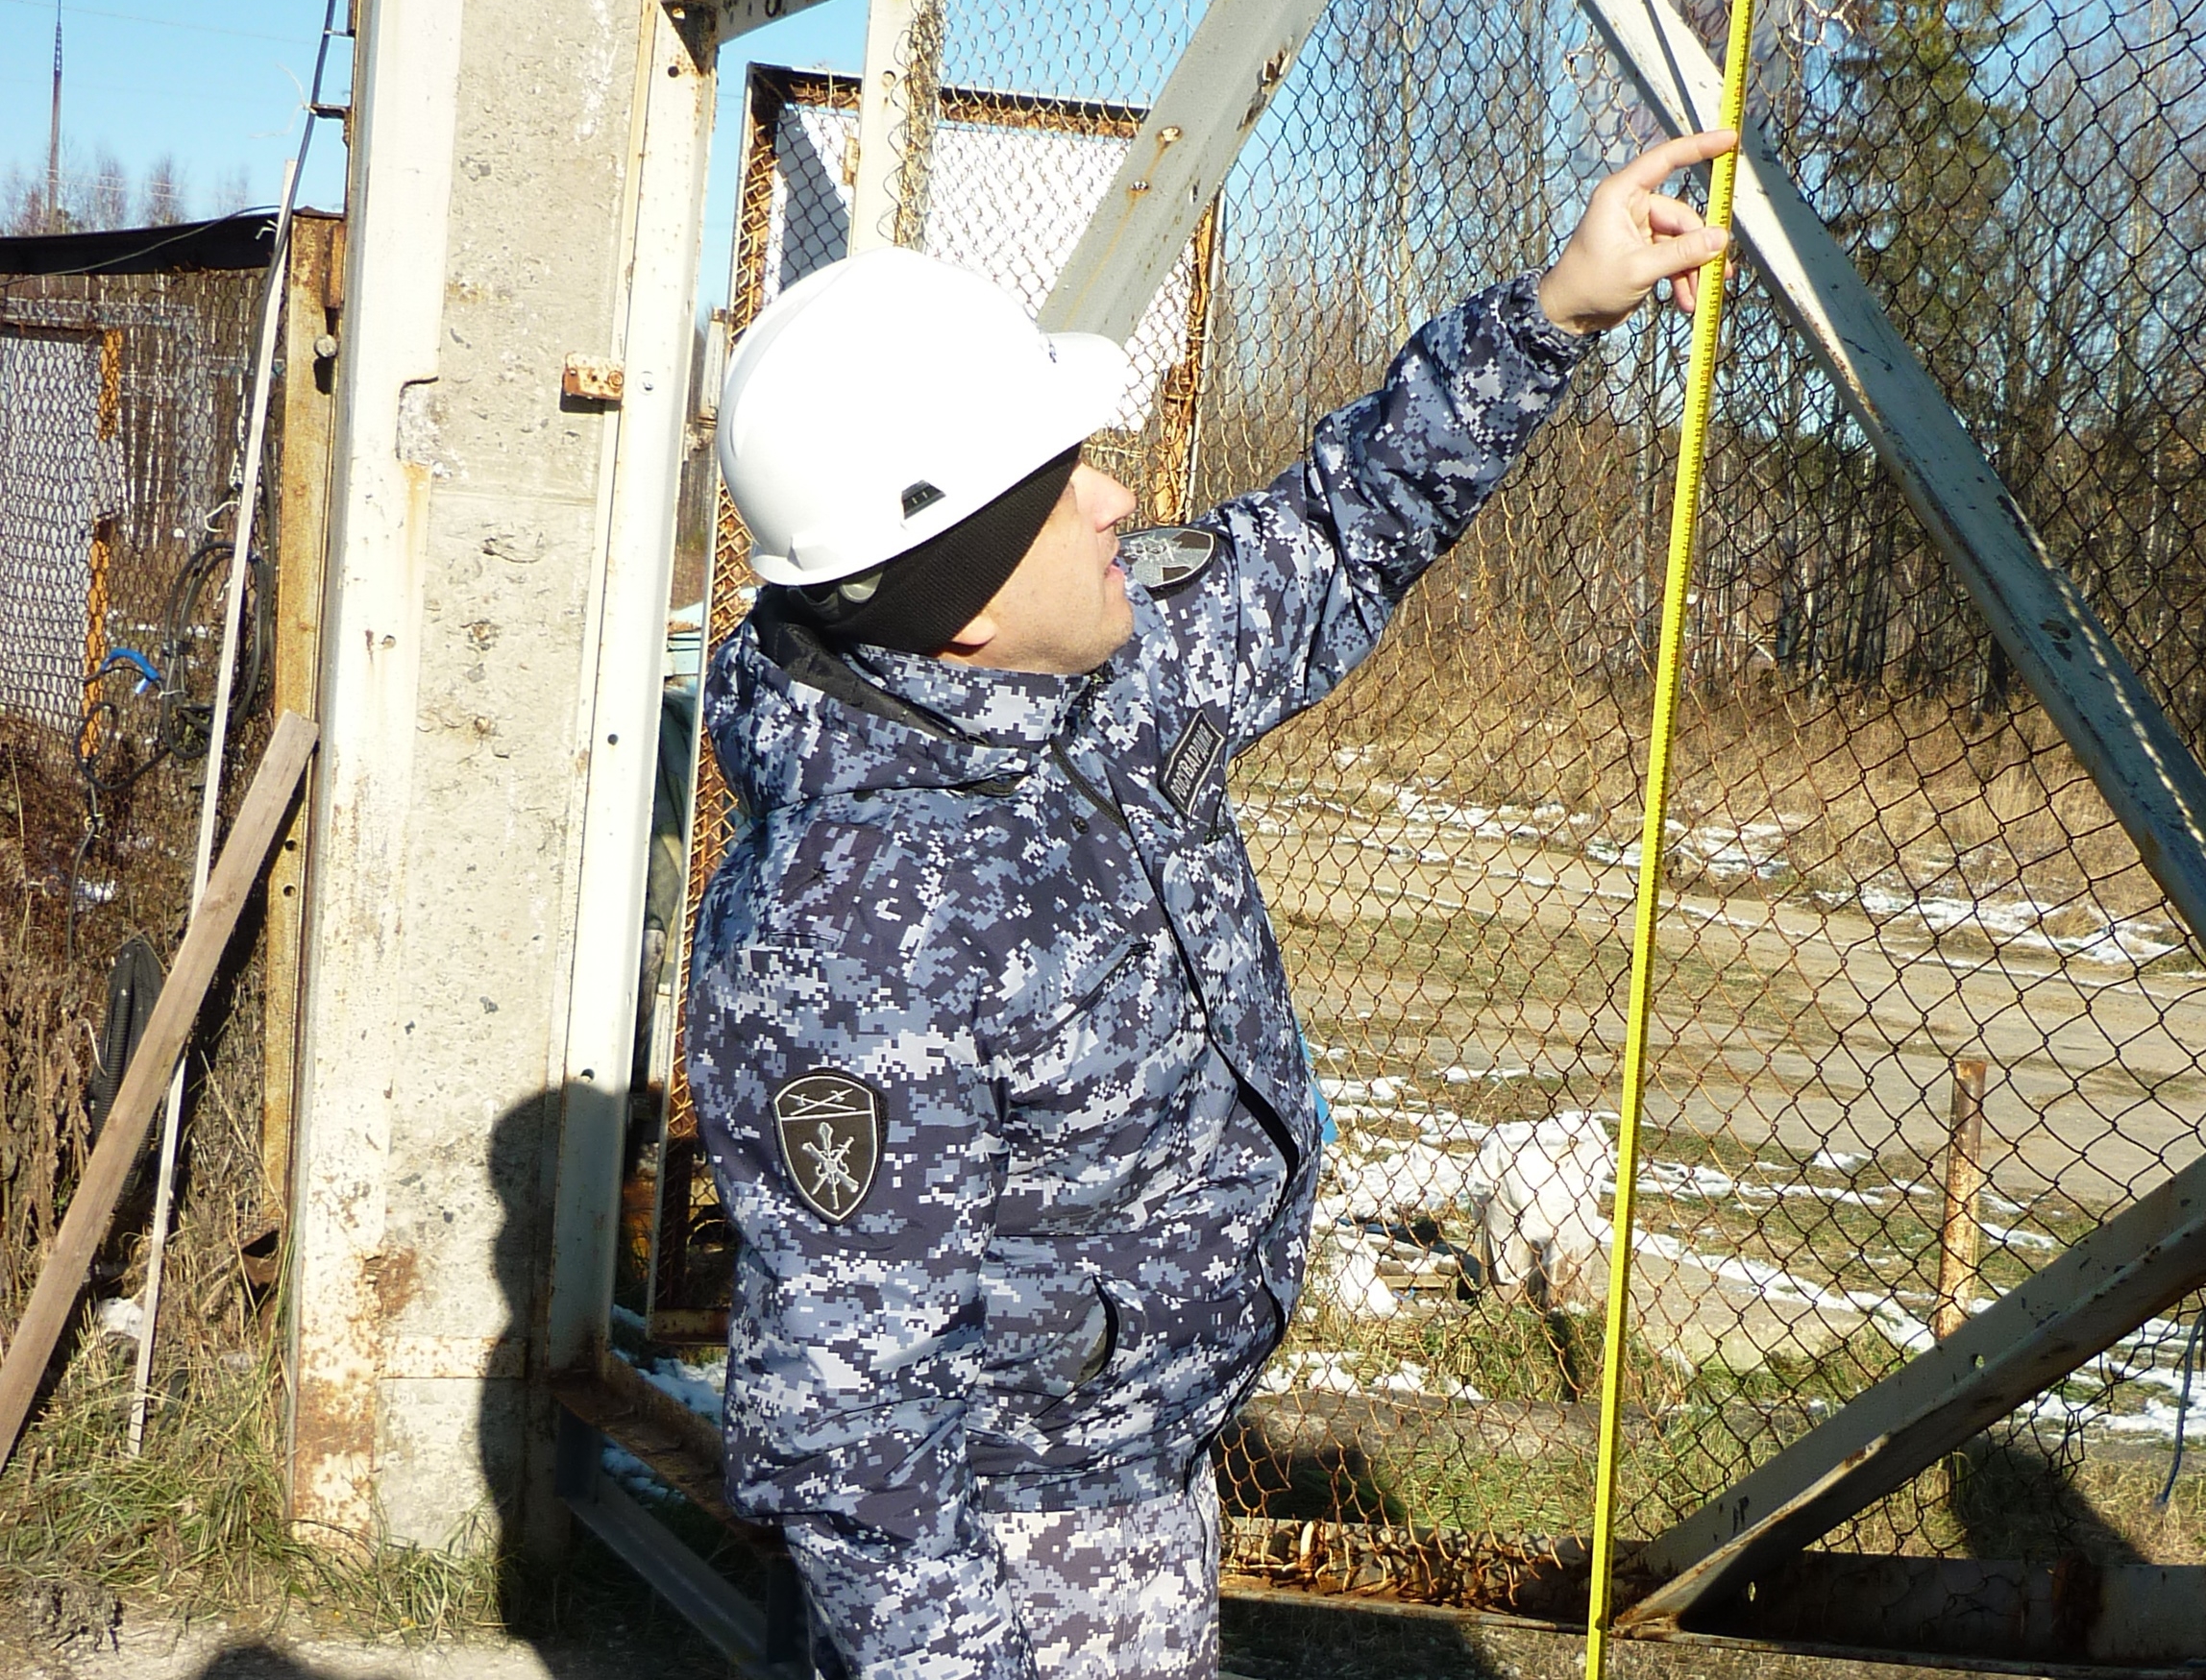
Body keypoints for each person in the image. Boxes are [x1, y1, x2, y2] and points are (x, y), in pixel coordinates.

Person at [683, 129, 1734, 1680]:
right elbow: (850, 1412)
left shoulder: (1098, 660)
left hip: (1138, 1469)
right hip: (998, 1547)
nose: (1113, 496)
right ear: (962, 597)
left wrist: (1555, 314)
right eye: (1057, 487)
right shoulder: (837, 933)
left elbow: (1335, 530)